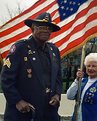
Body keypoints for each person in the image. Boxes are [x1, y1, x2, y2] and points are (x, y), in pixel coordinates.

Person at [1, 12, 62, 121]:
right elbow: (6, 79)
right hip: (25, 112)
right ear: (33, 28)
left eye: (49, 28)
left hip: (48, 112)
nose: (46, 30)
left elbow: (58, 77)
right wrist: (17, 101)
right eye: (42, 27)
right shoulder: (20, 48)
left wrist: (57, 95)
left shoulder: (54, 50)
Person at [67, 53, 97, 121]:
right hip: (77, 118)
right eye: (88, 66)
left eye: (94, 66)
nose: (90, 68)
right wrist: (77, 80)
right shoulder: (82, 81)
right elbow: (69, 96)